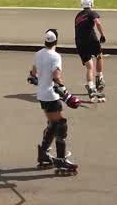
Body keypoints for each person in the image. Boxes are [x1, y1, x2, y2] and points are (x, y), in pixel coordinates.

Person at [28, 29, 79, 174]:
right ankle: (61, 160)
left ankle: (43, 154)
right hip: (51, 96)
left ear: (45, 41)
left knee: (53, 123)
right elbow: (56, 76)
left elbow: (33, 73)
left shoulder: (38, 54)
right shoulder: (56, 56)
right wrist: (66, 94)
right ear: (56, 41)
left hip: (42, 95)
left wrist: (36, 80)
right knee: (61, 124)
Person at [74, 0, 106, 100]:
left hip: (79, 43)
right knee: (99, 55)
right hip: (90, 39)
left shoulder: (78, 16)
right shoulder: (92, 13)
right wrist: (102, 35)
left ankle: (91, 87)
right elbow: (98, 23)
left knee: (89, 67)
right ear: (91, 4)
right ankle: (100, 77)